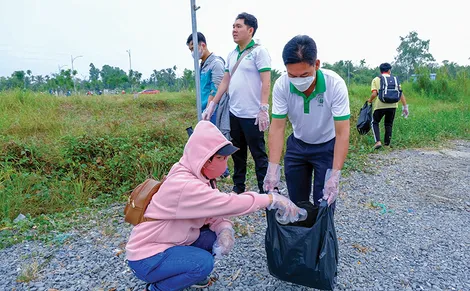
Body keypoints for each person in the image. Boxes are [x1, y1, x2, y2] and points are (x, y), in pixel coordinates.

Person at [126, 121, 305, 291]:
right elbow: (228, 203)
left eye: (226, 158)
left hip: (169, 241)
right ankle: (157, 287)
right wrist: (270, 199)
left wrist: (224, 229)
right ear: (204, 159)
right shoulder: (185, 185)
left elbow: (213, 212)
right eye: (220, 158)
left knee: (211, 238)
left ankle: (184, 273)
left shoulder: (199, 175)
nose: (225, 163)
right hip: (146, 256)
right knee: (203, 263)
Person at [263, 35, 351, 208]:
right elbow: (278, 128)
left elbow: (342, 133)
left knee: (324, 202)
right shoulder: (282, 85)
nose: (298, 81)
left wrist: (335, 174)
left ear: (316, 65)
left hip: (326, 147)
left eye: (304, 74)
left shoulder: (335, 85)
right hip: (298, 146)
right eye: (292, 75)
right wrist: (272, 168)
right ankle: (299, 234)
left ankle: (322, 235)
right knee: (296, 204)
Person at [202, 12, 271, 194]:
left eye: (238, 26)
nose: (234, 30)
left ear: (250, 30)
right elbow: (225, 81)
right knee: (238, 155)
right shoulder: (232, 54)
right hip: (235, 114)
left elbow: (266, 81)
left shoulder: (259, 52)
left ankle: (265, 192)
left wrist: (264, 108)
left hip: (253, 115)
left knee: (259, 155)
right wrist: (213, 104)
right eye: (233, 26)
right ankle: (238, 189)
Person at [186, 32, 230, 179]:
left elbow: (216, 88)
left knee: (216, 141)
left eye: (193, 48)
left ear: (202, 45)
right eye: (190, 50)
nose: (192, 52)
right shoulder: (202, 65)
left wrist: (209, 108)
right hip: (204, 109)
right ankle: (213, 170)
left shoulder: (216, 63)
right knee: (208, 141)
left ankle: (224, 172)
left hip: (214, 109)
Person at [367, 63, 409, 149]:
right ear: (389, 70)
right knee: (388, 124)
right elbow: (401, 94)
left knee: (374, 122)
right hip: (393, 105)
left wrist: (370, 100)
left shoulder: (376, 79)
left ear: (380, 70)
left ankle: (378, 142)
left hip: (380, 105)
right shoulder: (394, 79)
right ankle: (387, 144)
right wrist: (405, 107)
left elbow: (374, 93)